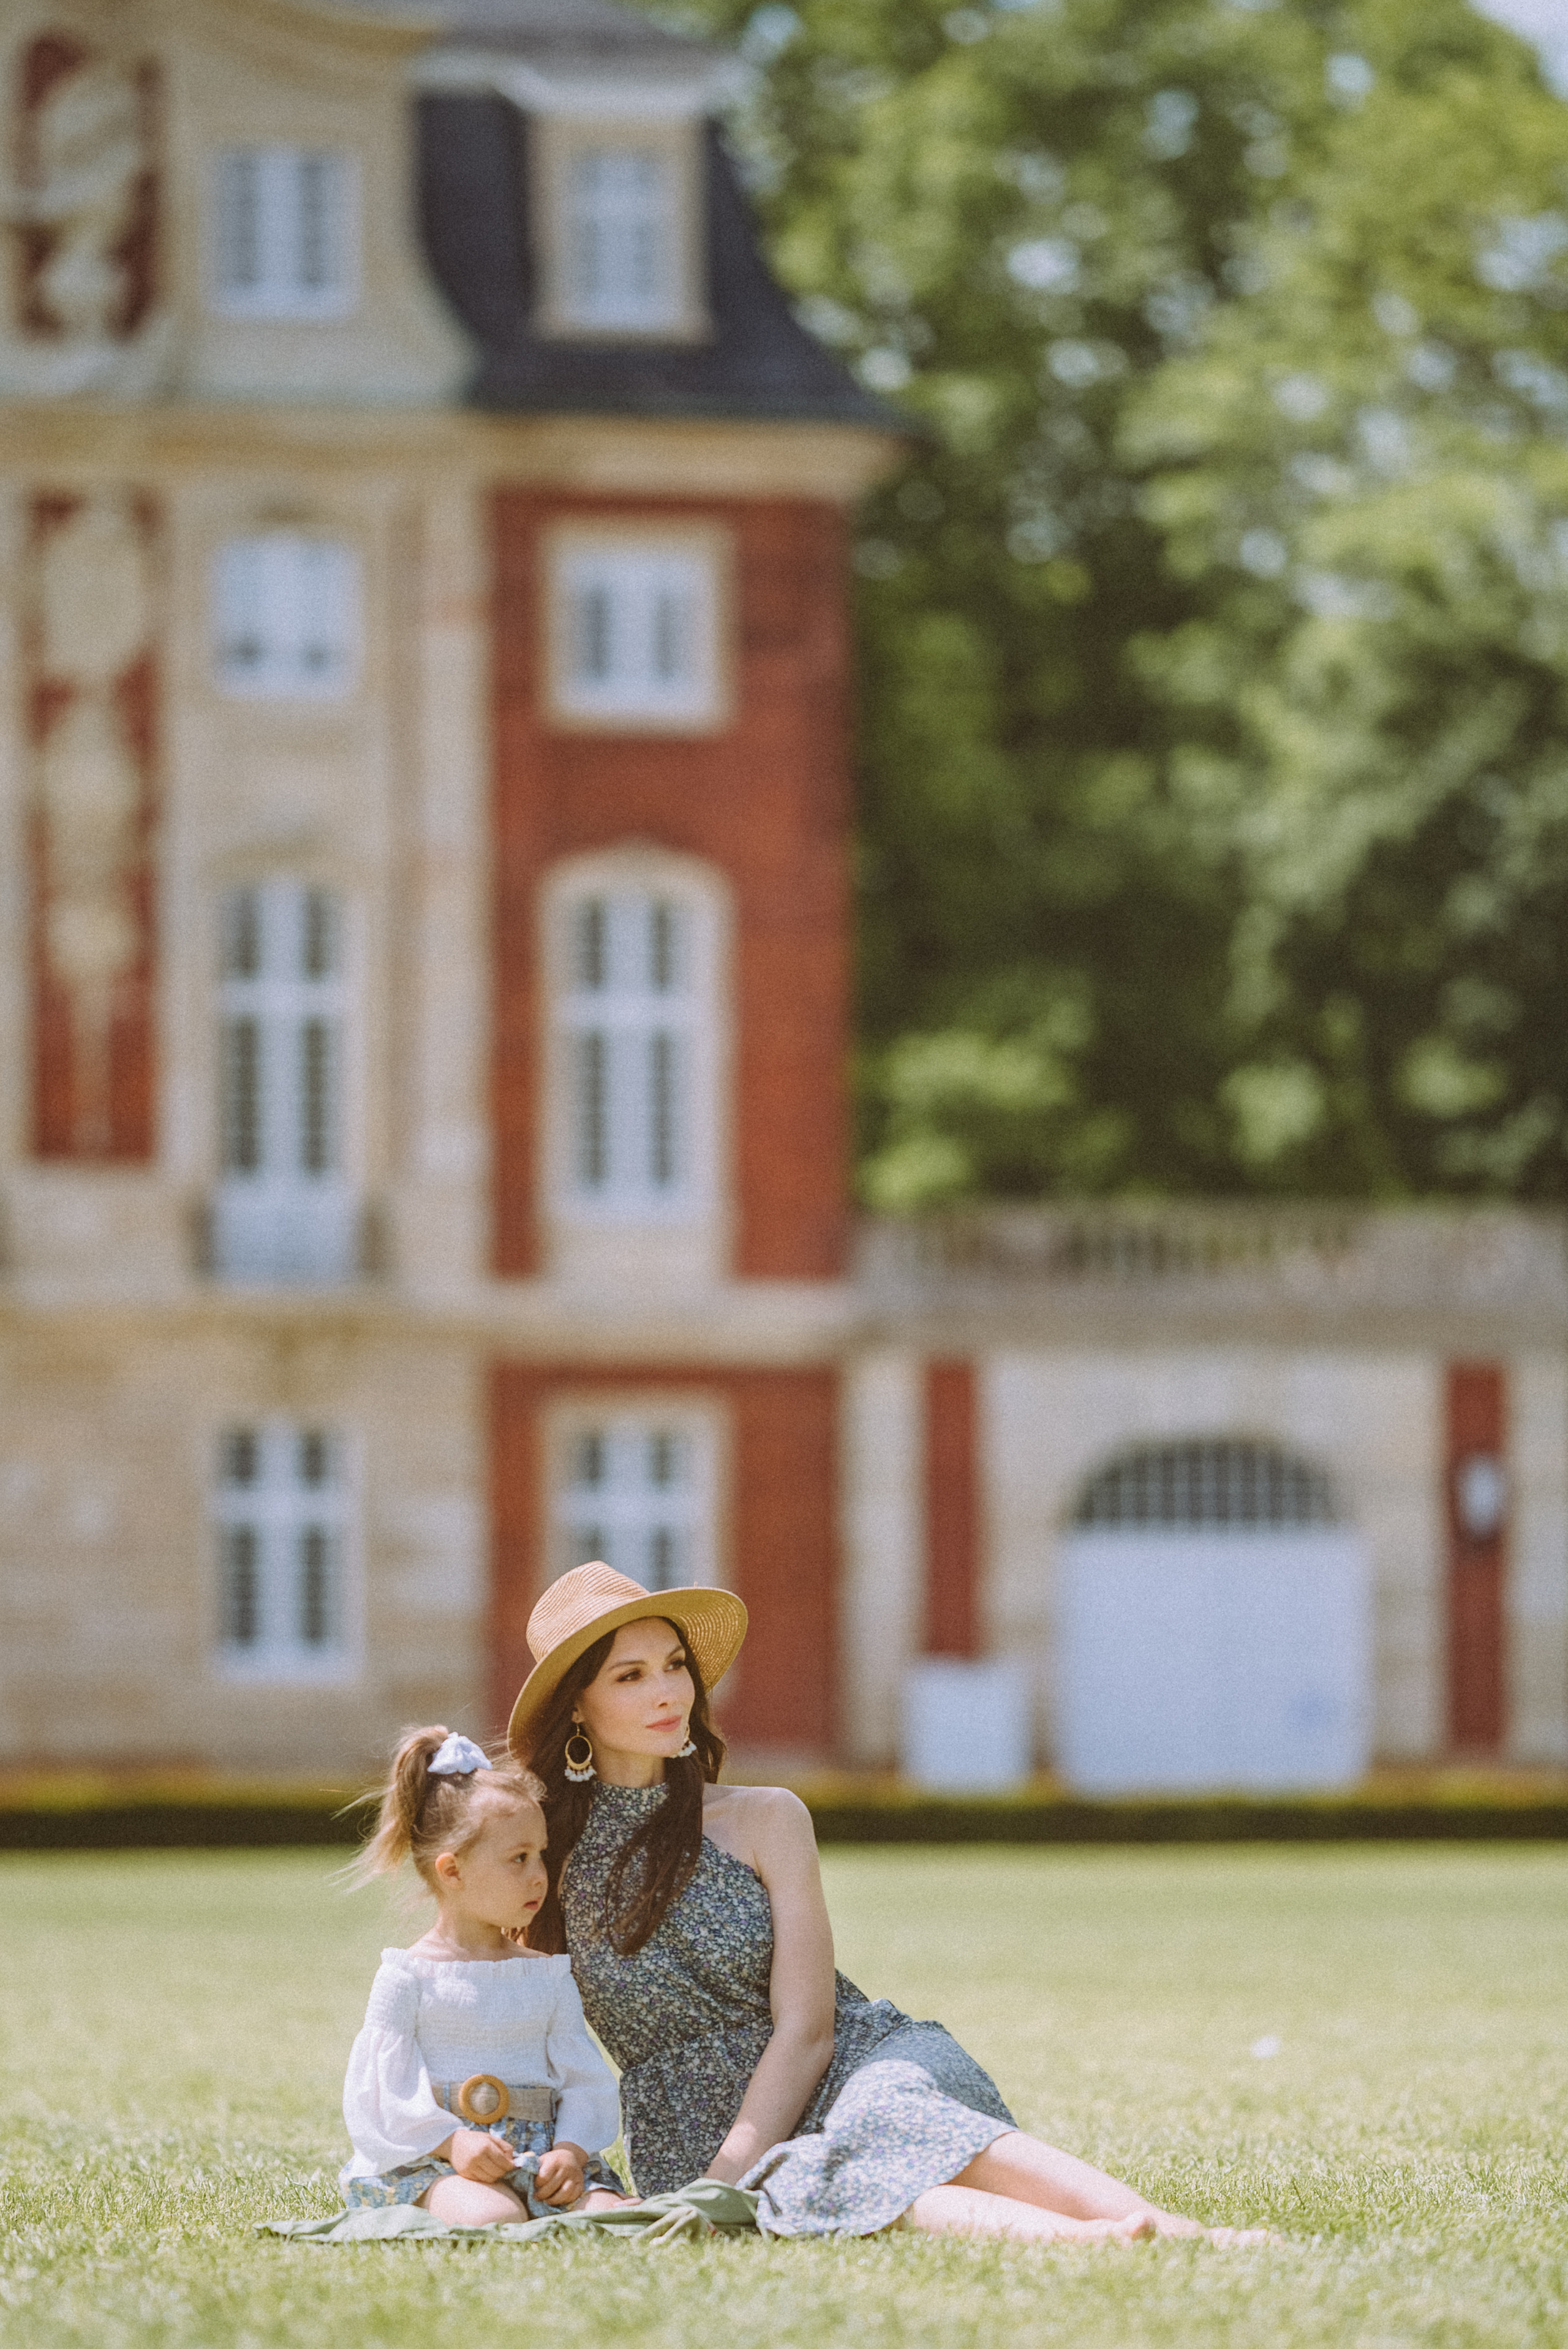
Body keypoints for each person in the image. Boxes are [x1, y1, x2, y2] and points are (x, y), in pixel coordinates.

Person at [513, 1564, 1270, 2246]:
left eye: (675, 1666)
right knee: (837, 2189)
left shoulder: (768, 1817)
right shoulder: (543, 1863)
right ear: (575, 1707)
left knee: (883, 2116)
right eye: (630, 1676)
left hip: (857, 2061)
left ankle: (1175, 2229)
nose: (668, 1691)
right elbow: (504, 2021)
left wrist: (731, 2172)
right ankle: (1102, 2242)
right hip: (690, 2126)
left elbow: (809, 2029)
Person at [339, 1725, 629, 2226]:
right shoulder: (408, 1978)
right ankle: (467, 2198)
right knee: (493, 2216)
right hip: (438, 2160)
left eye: (541, 1854)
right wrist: (454, 2142)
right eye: (518, 1859)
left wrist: (571, 2153)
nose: (539, 1874)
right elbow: (381, 2093)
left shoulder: (546, 1977)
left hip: (541, 2157)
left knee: (611, 2215)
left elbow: (584, 2080)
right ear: (451, 1871)